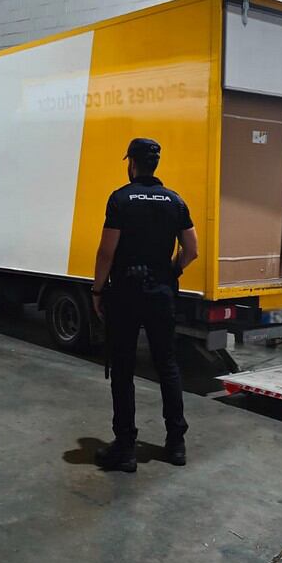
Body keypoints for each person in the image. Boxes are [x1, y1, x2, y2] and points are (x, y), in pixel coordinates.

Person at [91, 137, 198, 473]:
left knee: (123, 370)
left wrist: (97, 291)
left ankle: (125, 449)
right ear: (155, 165)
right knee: (167, 364)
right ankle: (176, 443)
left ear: (132, 164)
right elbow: (192, 250)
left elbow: (107, 251)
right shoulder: (175, 201)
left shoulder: (120, 199)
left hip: (125, 293)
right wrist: (171, 270)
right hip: (162, 293)